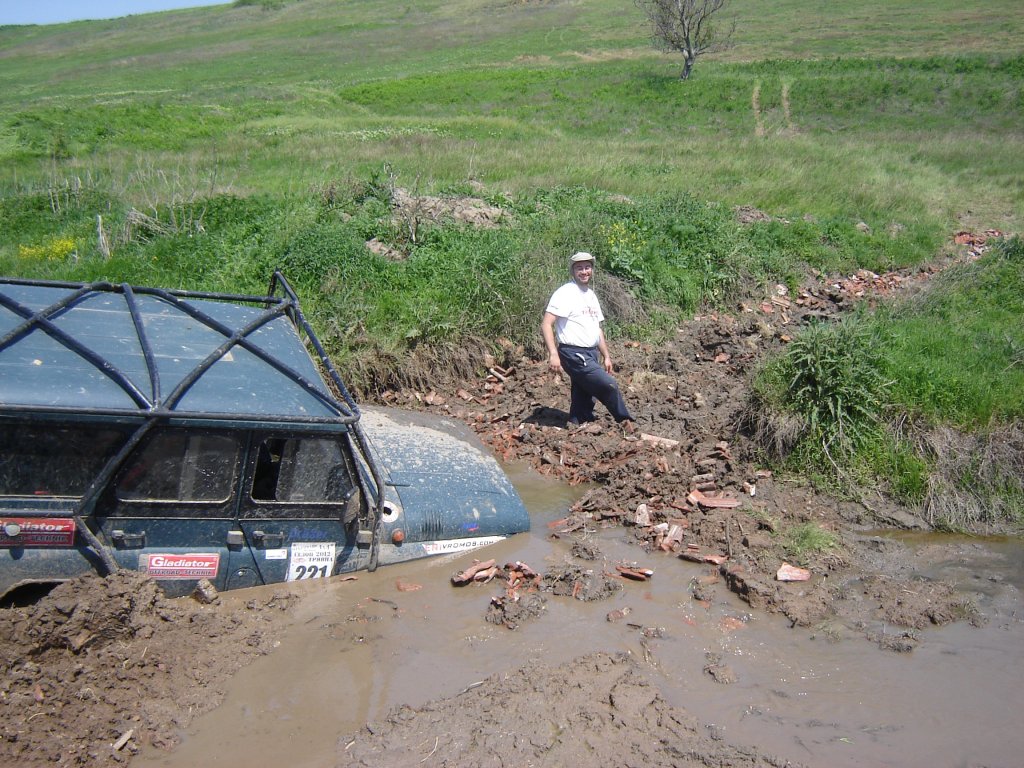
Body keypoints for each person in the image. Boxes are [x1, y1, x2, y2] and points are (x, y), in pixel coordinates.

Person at [541, 251, 635, 429]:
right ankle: (624, 420)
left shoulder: (590, 295)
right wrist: (553, 354)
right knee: (608, 385)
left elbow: (596, 328)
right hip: (573, 352)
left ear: (591, 269)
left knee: (584, 392)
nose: (584, 271)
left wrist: (606, 355)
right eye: (579, 268)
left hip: (591, 352)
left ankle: (577, 422)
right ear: (572, 271)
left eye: (587, 267)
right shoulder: (565, 293)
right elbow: (546, 324)